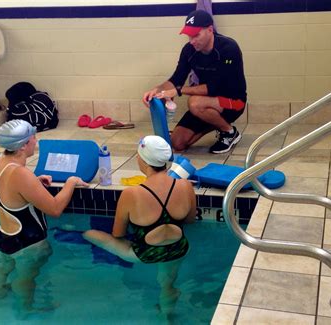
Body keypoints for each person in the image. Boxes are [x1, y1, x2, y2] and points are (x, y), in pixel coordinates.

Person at [0, 119, 88, 316]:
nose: (36, 141)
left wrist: (33, 184)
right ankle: (26, 310)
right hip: (28, 244)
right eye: (33, 138)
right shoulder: (20, 174)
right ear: (23, 146)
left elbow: (3, 196)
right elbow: (54, 209)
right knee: (26, 278)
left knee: (4, 269)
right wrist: (70, 182)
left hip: (4, 236)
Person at [83, 135, 196, 317]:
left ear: (142, 160)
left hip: (145, 254)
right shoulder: (185, 185)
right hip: (178, 249)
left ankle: (75, 233)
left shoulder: (132, 194)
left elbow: (118, 233)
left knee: (91, 234)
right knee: (167, 282)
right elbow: (190, 220)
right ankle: (167, 314)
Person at [142, 9, 247, 154]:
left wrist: (178, 91)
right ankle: (214, 121)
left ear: (210, 30)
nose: (192, 41)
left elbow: (214, 88)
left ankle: (229, 132)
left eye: (196, 35)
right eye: (189, 36)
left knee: (194, 103)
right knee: (177, 143)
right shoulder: (189, 50)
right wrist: (157, 90)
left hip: (234, 102)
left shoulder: (228, 48)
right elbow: (176, 79)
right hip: (206, 103)